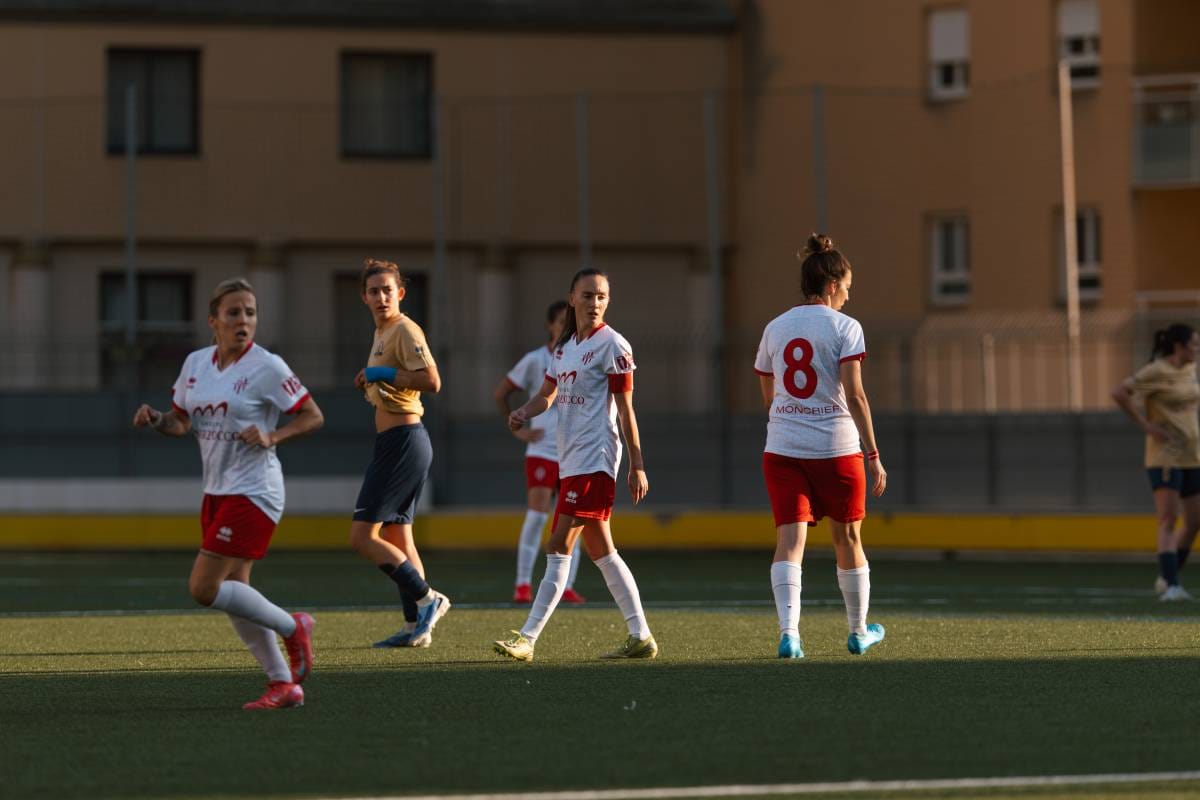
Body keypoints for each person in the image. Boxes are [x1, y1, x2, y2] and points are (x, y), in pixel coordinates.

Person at [132, 277, 325, 710]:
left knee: (203, 588)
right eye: (234, 312)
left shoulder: (268, 367)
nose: (244, 321)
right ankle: (283, 685)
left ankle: (294, 627)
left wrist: (274, 436)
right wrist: (157, 419)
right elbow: (181, 422)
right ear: (213, 320)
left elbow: (313, 416)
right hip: (217, 489)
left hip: (255, 491)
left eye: (251, 313)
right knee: (237, 592)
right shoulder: (196, 364)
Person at [493, 268, 656, 661]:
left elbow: (626, 409)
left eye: (601, 296)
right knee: (603, 551)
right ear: (571, 299)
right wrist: (523, 412)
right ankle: (641, 636)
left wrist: (637, 464)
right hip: (571, 460)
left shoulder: (614, 345)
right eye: (587, 295)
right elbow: (547, 395)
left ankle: (528, 638)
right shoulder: (564, 348)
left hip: (595, 457)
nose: (594, 302)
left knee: (558, 544)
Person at [754, 234, 887, 660]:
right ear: (831, 285)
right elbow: (856, 395)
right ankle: (857, 631)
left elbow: (766, 386)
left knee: (788, 542)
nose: (849, 295)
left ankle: (789, 634)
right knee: (848, 538)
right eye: (847, 285)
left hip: (783, 449)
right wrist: (874, 454)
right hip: (836, 447)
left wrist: (787, 419)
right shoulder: (846, 327)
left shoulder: (776, 326)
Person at [348, 258, 451, 647]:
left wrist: (383, 374)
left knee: (361, 537)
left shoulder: (405, 329)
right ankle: (414, 628)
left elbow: (432, 381)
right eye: (373, 291)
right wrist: (371, 380)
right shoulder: (382, 334)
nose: (380, 297)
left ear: (400, 294)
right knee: (399, 539)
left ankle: (429, 599)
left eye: (387, 290)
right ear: (364, 297)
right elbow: (391, 381)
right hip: (397, 443)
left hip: (404, 443)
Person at [493, 300, 586, 605]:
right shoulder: (536, 359)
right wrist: (519, 430)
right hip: (543, 449)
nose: (565, 326)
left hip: (574, 451)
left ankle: (567, 585)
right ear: (550, 325)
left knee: (575, 520)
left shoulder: (583, 356)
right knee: (536, 516)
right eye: (560, 321)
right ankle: (522, 584)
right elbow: (502, 392)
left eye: (569, 321)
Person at [1112, 323, 1200, 601]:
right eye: (1194, 344)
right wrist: (1146, 425)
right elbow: (1120, 392)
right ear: (1179, 346)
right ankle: (1171, 585)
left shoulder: (1189, 370)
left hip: (1191, 456)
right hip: (1165, 457)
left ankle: (1167, 577)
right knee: (1168, 519)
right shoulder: (1156, 370)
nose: (1197, 349)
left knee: (1195, 520)